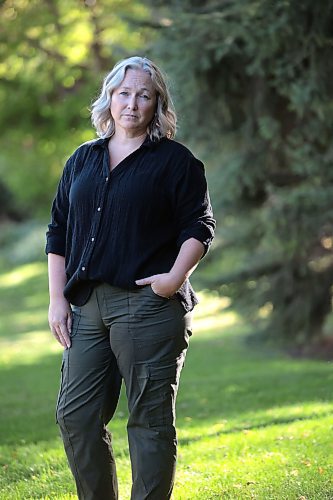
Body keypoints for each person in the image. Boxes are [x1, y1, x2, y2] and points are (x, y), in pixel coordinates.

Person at [46, 56, 215, 500]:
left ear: (157, 103)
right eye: (124, 93)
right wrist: (57, 299)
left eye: (144, 95)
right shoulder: (82, 159)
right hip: (87, 305)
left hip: (149, 305)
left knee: (149, 421)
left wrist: (174, 278)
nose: (132, 103)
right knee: (76, 416)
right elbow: (58, 229)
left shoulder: (176, 162)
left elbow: (199, 226)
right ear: (109, 98)